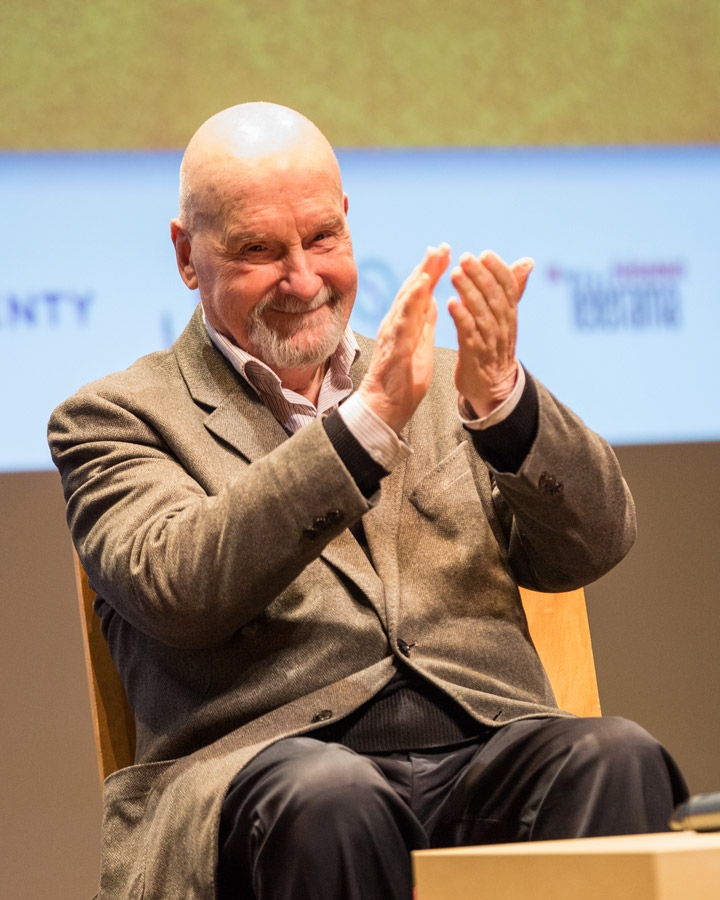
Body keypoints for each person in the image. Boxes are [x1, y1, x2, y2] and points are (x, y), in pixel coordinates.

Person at [48, 102, 687, 900]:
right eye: (259, 250)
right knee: (333, 800)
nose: (303, 279)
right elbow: (177, 587)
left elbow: (595, 543)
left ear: (347, 219)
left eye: (322, 238)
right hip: (269, 776)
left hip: (482, 752)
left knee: (616, 757)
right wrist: (362, 429)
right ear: (186, 254)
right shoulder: (115, 417)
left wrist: (505, 405)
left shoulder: (447, 379)